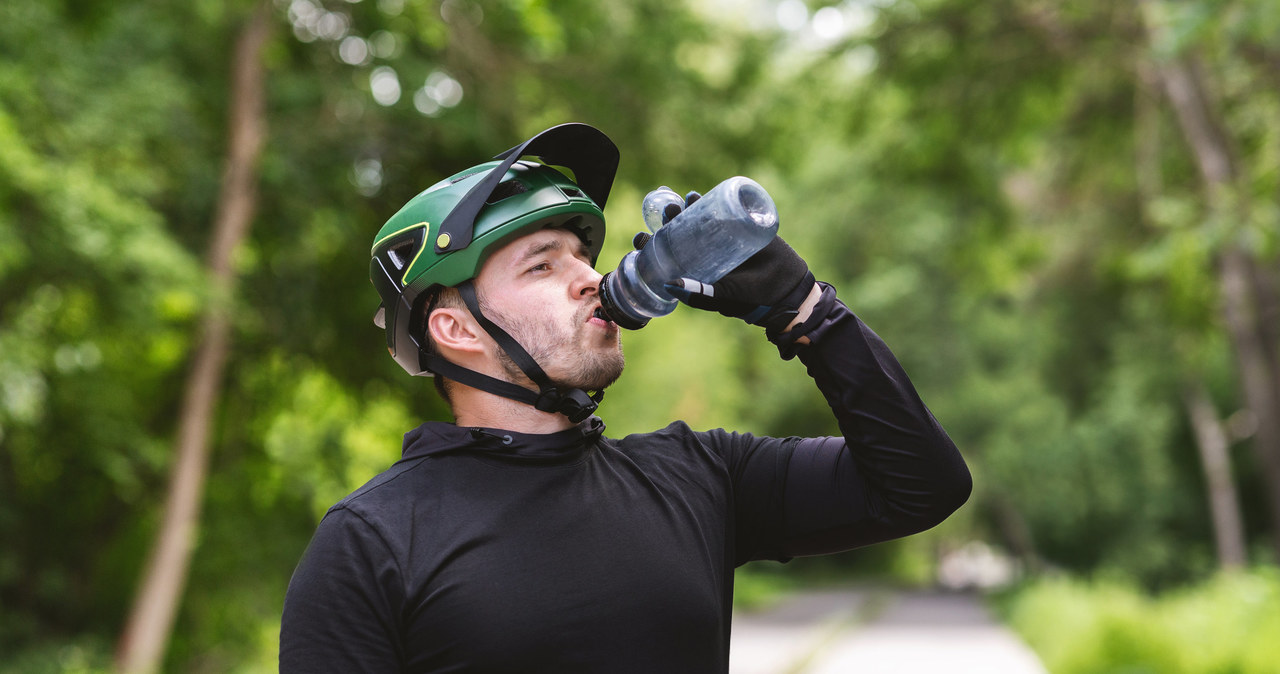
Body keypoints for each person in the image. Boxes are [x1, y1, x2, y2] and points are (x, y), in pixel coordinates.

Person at [279, 123, 971, 673]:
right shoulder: (371, 543)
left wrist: (806, 311)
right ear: (455, 328)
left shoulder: (699, 476)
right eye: (543, 263)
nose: (589, 276)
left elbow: (922, 487)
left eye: (584, 255)